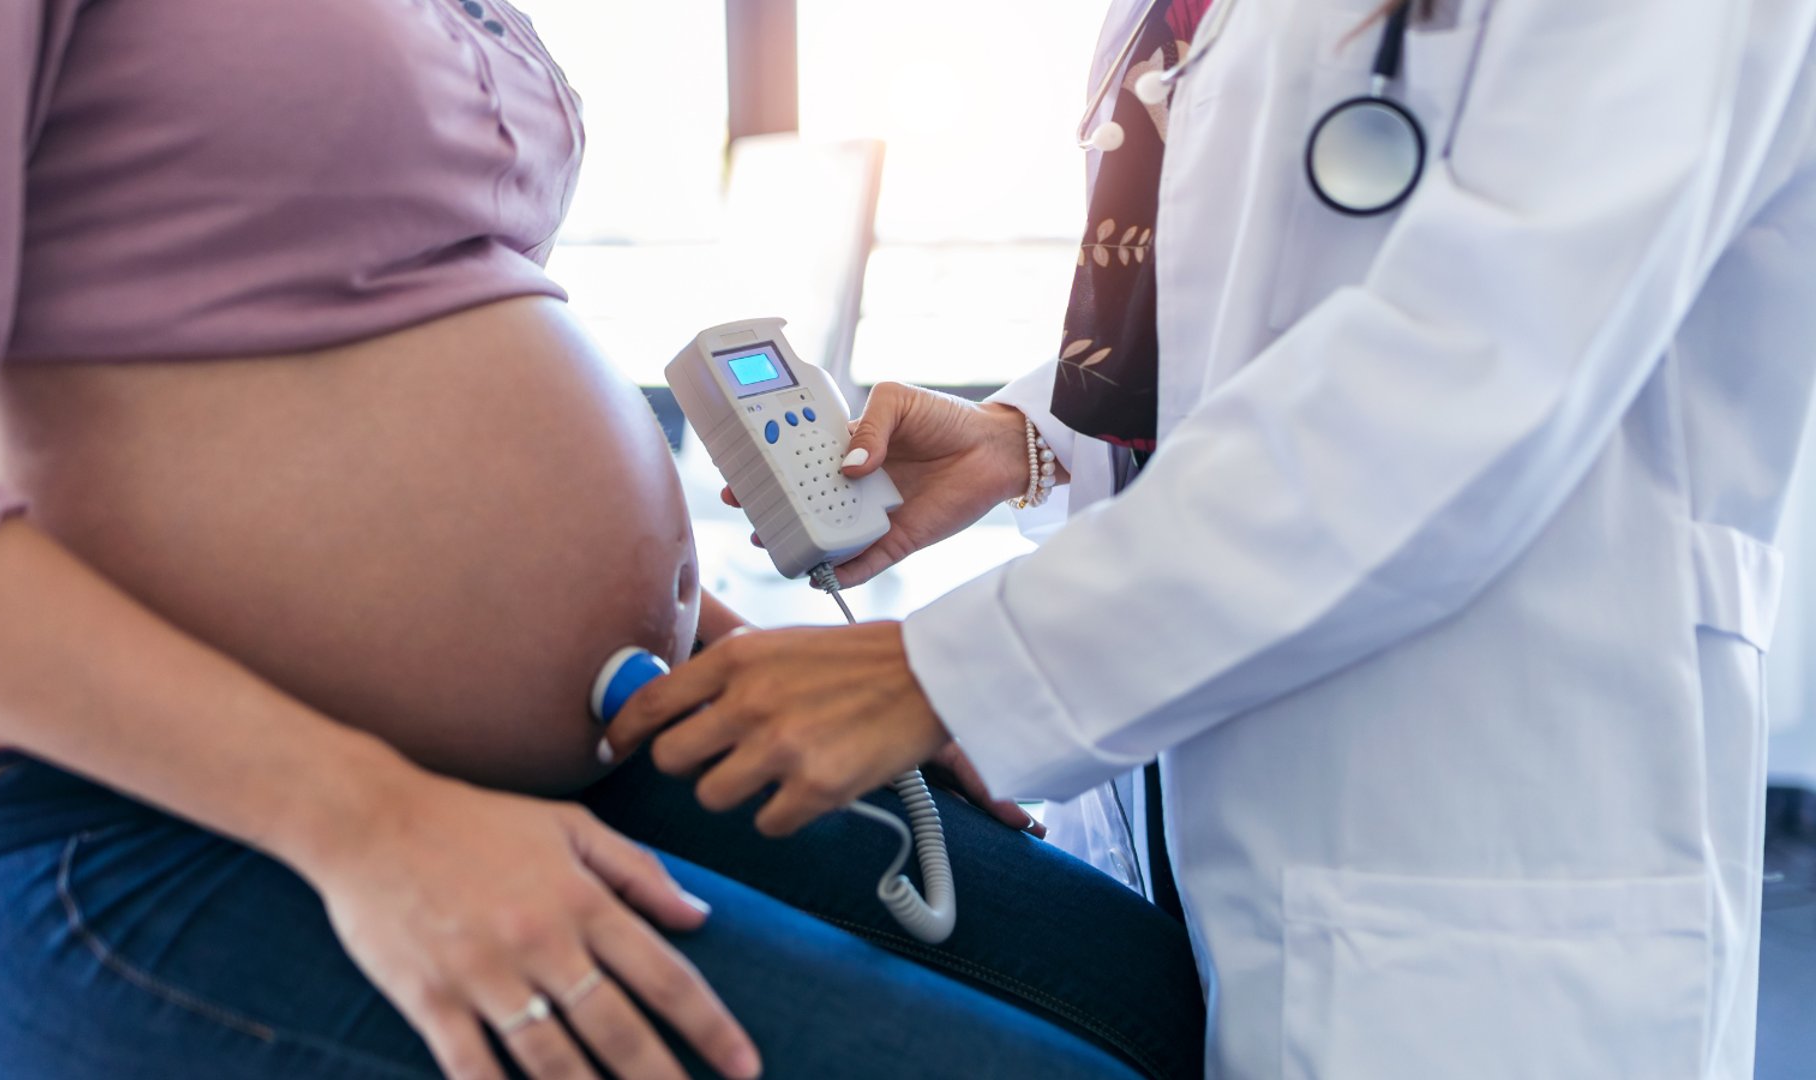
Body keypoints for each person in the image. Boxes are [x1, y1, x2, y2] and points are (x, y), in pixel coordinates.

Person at [0, 3, 1207, 1078]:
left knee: (1143, 998)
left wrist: (752, 663)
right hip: (173, 818)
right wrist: (372, 826)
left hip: (593, 741)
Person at [606, 0, 1816, 1077]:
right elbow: (1239, 326)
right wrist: (1029, 439)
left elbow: (1479, 372)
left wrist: (942, 669)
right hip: (1196, 806)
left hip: (1481, 806)